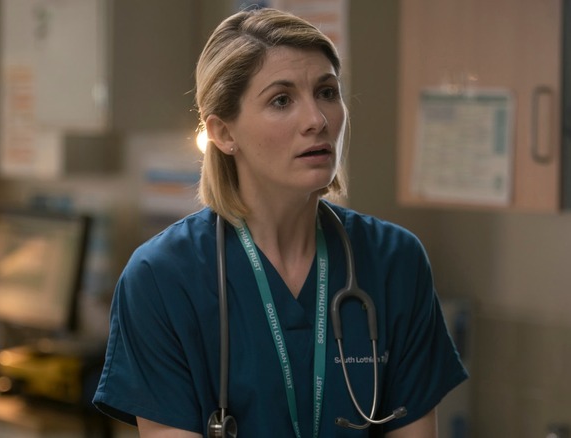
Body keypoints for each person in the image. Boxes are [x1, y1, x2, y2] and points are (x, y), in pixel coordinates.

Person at [93, 7, 467, 438]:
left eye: (327, 92)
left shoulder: (394, 261)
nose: (318, 120)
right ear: (223, 133)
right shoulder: (161, 279)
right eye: (281, 100)